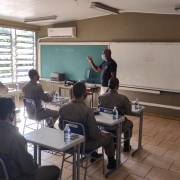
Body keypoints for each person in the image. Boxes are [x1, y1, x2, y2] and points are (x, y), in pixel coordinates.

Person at [59, 82, 116, 169]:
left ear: (73, 93)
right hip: (84, 145)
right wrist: (101, 133)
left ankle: (94, 155)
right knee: (108, 137)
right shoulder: (87, 111)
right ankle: (112, 163)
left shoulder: (63, 107)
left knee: (86, 133)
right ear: (84, 94)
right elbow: (94, 134)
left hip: (70, 142)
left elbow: (61, 126)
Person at [0, 97, 60, 180]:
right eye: (14, 111)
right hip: (17, 176)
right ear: (10, 114)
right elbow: (30, 168)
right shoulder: (15, 137)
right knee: (55, 170)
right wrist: (34, 164)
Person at [98, 77, 133, 152]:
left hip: (104, 125)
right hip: (117, 125)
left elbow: (100, 110)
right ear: (117, 86)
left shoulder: (101, 97)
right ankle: (126, 146)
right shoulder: (122, 98)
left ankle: (115, 142)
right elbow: (128, 112)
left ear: (108, 85)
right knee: (130, 124)